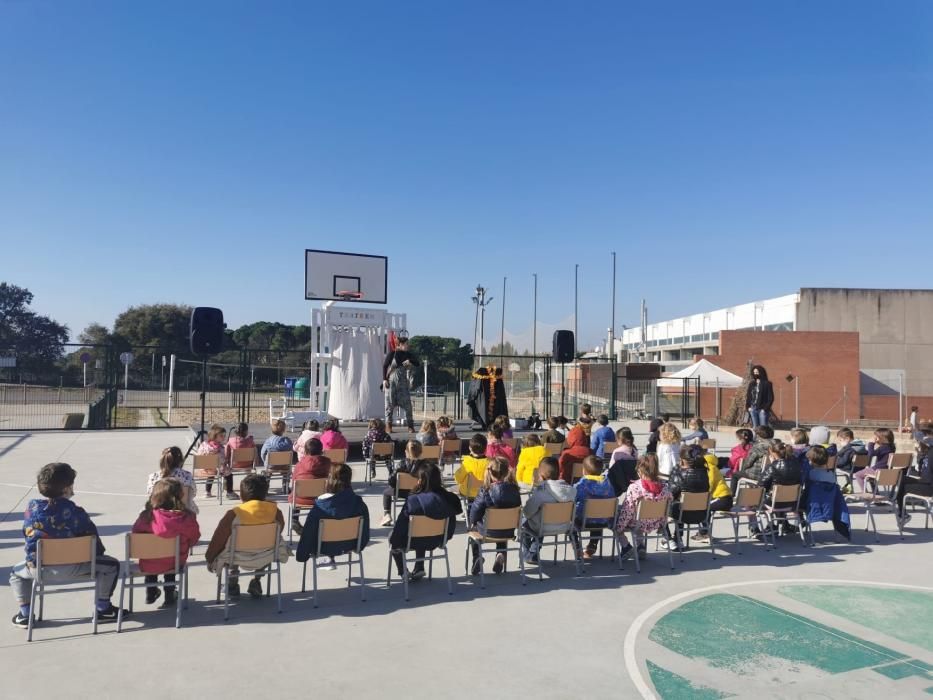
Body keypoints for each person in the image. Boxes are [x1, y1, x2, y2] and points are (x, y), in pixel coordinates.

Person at [10, 463, 129, 629]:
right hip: (75, 567)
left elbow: (27, 535)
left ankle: (25, 614)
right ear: (67, 488)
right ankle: (103, 608)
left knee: (16, 573)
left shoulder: (31, 509)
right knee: (112, 565)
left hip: (39, 569)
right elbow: (94, 542)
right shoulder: (77, 513)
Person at [205, 474, 289, 599]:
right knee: (268, 544)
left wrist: (210, 557)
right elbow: (279, 530)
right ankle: (257, 580)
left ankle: (232, 584)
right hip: (265, 554)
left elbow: (219, 539)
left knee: (230, 545)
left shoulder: (233, 514)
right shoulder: (276, 512)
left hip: (237, 556)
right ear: (265, 494)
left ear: (242, 496)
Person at [132, 479, 201, 606]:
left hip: (148, 563)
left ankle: (151, 590)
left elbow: (135, 534)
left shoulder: (146, 517)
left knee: (153, 556)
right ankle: (169, 592)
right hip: (174, 562)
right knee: (173, 556)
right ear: (180, 495)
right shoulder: (186, 517)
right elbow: (194, 538)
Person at [389, 462, 462, 580]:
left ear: (420, 480)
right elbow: (451, 524)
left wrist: (394, 541)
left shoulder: (412, 501)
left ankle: (403, 571)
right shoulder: (449, 499)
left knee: (394, 537)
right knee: (421, 533)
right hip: (438, 540)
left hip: (411, 541)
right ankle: (419, 567)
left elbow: (399, 528)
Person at [296, 463, 370, 571]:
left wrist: (302, 555)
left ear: (329, 480)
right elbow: (365, 532)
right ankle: (330, 558)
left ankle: (330, 558)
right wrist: (360, 545)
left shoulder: (320, 507)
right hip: (351, 544)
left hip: (323, 547)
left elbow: (308, 534)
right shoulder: (360, 504)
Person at [468, 456, 521, 576]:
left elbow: (475, 513)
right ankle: (500, 553)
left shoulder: (485, 490)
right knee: (502, 524)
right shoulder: (514, 490)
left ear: (490, 472)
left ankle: (477, 556)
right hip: (508, 531)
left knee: (474, 529)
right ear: (507, 471)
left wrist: (473, 521)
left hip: (488, 532)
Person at [615, 455, 672, 561]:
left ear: (640, 470)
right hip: (656, 522)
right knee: (639, 518)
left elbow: (628, 510)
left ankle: (626, 546)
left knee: (622, 521)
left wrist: (619, 527)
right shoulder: (665, 487)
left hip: (638, 522)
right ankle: (640, 545)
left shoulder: (635, 487)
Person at [521, 456, 576, 563]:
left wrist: (525, 515)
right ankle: (533, 552)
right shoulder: (570, 490)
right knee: (540, 521)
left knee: (524, 524)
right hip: (564, 526)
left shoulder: (541, 492)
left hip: (542, 527)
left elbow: (528, 511)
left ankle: (529, 554)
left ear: (541, 476)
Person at [665, 445, 710, 550]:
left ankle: (669, 538)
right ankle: (677, 537)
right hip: (702, 514)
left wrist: (674, 474)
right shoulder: (704, 473)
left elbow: (671, 493)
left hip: (683, 514)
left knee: (667, 506)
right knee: (681, 503)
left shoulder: (680, 473)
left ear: (682, 460)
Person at [573, 455, 616, 560]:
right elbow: (613, 497)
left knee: (570, 522)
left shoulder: (581, 485)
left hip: (583, 520)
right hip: (604, 520)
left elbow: (572, 499)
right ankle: (593, 544)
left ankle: (577, 546)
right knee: (598, 513)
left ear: (584, 471)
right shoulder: (608, 484)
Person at [289, 438, 332, 533]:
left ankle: (294, 519)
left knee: (295, 492)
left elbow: (293, 481)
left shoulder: (299, 465)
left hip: (299, 498)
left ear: (305, 451)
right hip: (321, 498)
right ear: (321, 450)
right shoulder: (327, 462)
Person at [384, 332, 420, 432]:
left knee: (408, 405)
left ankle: (410, 426)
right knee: (389, 405)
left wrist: (411, 361)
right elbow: (385, 366)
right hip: (392, 382)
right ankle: (388, 426)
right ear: (400, 345)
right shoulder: (392, 354)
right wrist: (384, 379)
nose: (408, 346)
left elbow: (417, 363)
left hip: (403, 383)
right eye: (406, 344)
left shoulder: (409, 355)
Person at [695, 445, 733, 542]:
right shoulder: (711, 464)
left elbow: (710, 484)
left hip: (722, 499)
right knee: (704, 507)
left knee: (703, 508)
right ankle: (704, 532)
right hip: (724, 498)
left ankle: (704, 533)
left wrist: (701, 495)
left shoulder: (709, 467)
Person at [381, 440, 422, 526]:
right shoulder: (425, 465)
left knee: (386, 492)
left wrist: (394, 484)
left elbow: (391, 480)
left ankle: (387, 515)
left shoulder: (401, 464)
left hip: (402, 492)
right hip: (419, 492)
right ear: (421, 452)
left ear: (406, 452)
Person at [147, 446, 197, 512]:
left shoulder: (153, 476)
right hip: (182, 513)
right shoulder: (186, 476)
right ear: (181, 461)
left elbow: (151, 496)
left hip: (158, 514)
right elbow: (190, 496)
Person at [730, 425, 774, 492]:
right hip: (771, 473)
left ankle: (732, 495)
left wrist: (743, 468)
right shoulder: (775, 445)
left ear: (759, 436)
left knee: (735, 474)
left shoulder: (757, 447)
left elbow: (748, 463)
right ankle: (755, 489)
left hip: (757, 474)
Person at [197, 424, 234, 500]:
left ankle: (207, 491)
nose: (224, 437)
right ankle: (229, 492)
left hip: (203, 468)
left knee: (211, 473)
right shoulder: (220, 448)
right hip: (217, 468)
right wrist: (225, 462)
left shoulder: (203, 444)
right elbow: (222, 459)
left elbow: (199, 455)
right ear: (215, 436)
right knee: (229, 474)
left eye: (224, 435)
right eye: (222, 436)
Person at [454, 434, 488, 508]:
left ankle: (470, 512)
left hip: (468, 493)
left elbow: (458, 479)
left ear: (470, 448)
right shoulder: (489, 463)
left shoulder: (467, 462)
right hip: (485, 492)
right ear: (486, 448)